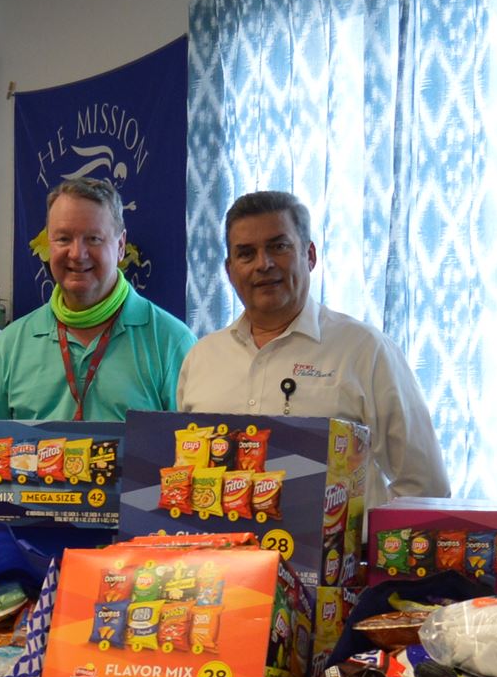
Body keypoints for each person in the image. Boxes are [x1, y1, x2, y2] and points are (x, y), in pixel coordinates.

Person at [176, 190, 448, 502]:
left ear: (310, 255)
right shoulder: (202, 359)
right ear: (229, 270)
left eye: (278, 247)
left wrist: (361, 541)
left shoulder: (366, 351)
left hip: (337, 551)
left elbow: (426, 486)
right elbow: (184, 475)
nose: (263, 264)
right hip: (220, 548)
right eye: (246, 254)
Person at [0, 177, 192, 422]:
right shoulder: (10, 345)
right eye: (63, 239)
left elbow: (194, 446)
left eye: (93, 239)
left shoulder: (171, 342)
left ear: (120, 246)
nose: (77, 254)